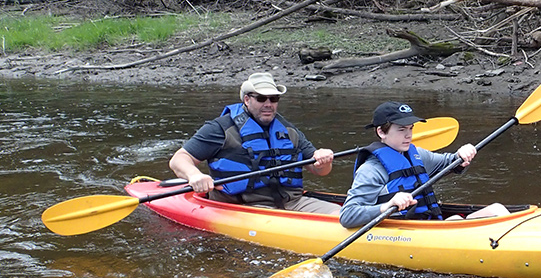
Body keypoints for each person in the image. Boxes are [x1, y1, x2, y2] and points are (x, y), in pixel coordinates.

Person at [169, 71, 341, 214]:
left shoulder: (289, 131)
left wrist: (323, 160)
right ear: (246, 99)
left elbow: (321, 172)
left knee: (344, 216)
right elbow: (179, 159)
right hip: (246, 207)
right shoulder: (220, 129)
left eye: (273, 99)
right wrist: (195, 175)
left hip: (292, 202)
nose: (268, 104)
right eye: (261, 98)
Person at [340, 101, 509, 228]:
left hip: (431, 226)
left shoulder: (418, 155)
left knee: (497, 209)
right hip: (403, 234)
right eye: (401, 130)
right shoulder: (371, 170)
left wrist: (462, 154)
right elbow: (347, 216)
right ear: (381, 132)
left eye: (411, 129)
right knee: (457, 220)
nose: (409, 136)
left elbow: (451, 162)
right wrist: (388, 205)